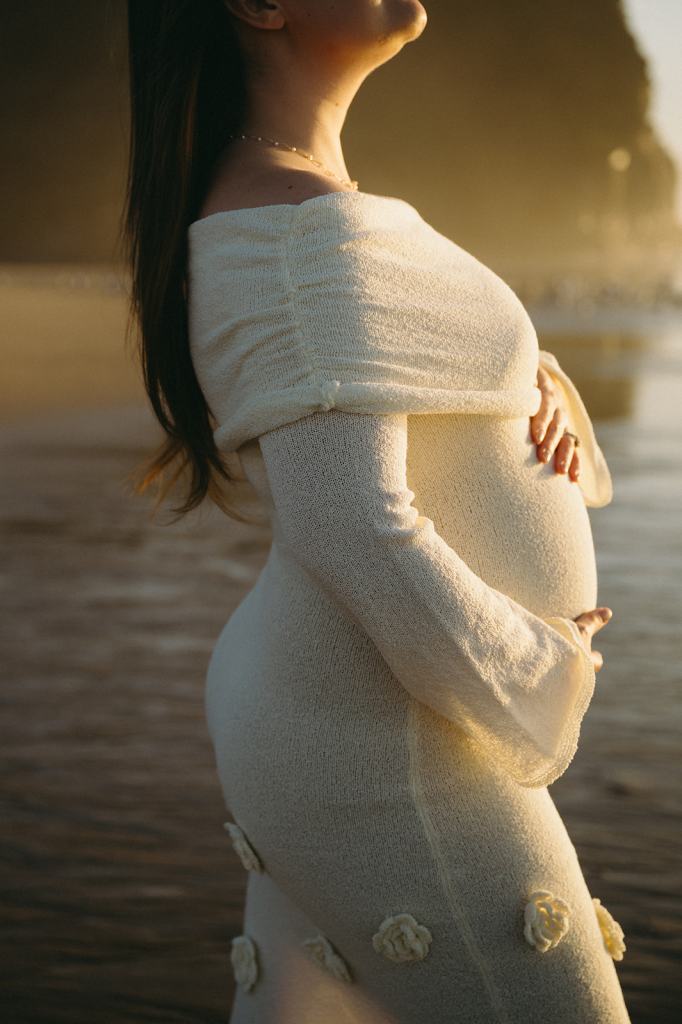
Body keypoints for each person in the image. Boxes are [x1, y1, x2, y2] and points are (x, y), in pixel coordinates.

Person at [123, 2, 631, 1020]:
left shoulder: (304, 209)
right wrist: (540, 667)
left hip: (350, 714)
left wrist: (526, 385)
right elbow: (349, 526)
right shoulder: (291, 236)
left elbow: (378, 372)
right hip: (382, 743)